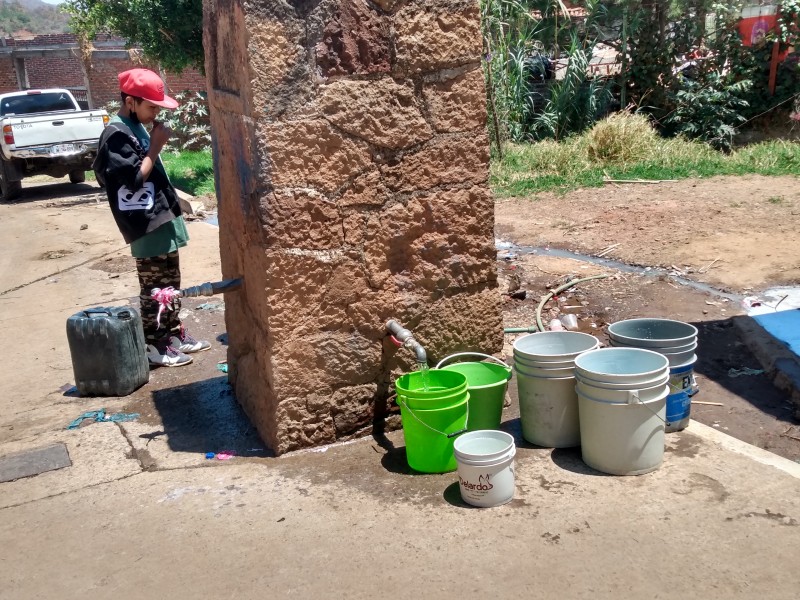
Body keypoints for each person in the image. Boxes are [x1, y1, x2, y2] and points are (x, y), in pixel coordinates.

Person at [93, 68, 209, 367]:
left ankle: (171, 334)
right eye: (151, 106)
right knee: (154, 289)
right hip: (146, 225)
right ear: (130, 102)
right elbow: (132, 180)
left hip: (161, 218)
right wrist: (156, 146)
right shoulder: (116, 134)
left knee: (170, 283)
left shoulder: (136, 126)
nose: (155, 113)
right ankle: (154, 344)